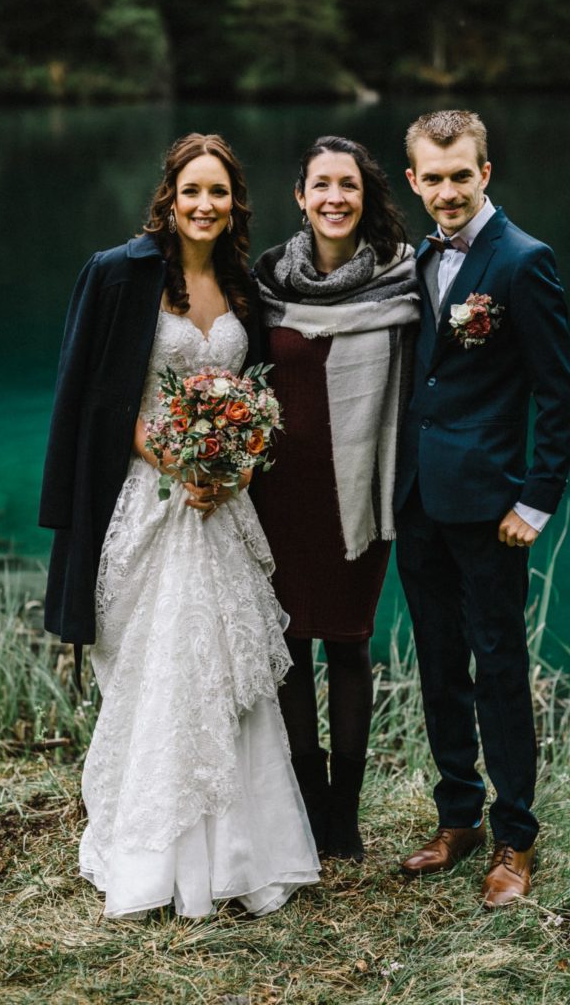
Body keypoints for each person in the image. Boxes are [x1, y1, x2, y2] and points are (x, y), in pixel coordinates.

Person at [39, 133, 320, 919]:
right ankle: (152, 856)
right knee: (153, 667)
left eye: (219, 193)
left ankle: (239, 854)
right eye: (192, 191)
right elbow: (97, 394)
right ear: (168, 196)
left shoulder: (242, 285)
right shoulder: (118, 273)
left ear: (235, 205)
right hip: (149, 495)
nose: (205, 205)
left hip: (221, 506)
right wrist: (177, 461)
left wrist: (230, 467)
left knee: (223, 671)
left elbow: (253, 394)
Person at [395, 110, 570, 906]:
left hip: (490, 506)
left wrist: (534, 503)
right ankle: (457, 816)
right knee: (438, 662)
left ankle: (514, 838)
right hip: (416, 500)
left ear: (485, 173)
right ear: (412, 180)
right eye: (431, 178)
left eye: (458, 175)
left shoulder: (522, 261)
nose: (445, 190)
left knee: (499, 668)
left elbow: (559, 393)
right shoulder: (415, 260)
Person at [253, 136, 420, 862]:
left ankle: (343, 819)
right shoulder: (265, 280)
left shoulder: (403, 277)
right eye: (320, 184)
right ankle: (307, 802)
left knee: (349, 644)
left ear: (365, 193)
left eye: (346, 185)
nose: (333, 198)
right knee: (287, 645)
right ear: (300, 195)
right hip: (278, 494)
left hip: (359, 490)